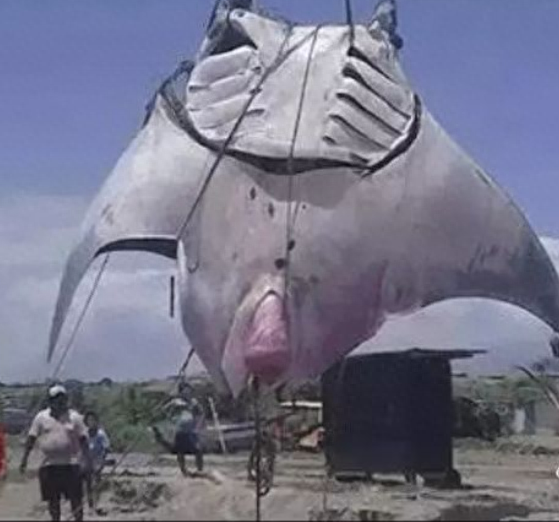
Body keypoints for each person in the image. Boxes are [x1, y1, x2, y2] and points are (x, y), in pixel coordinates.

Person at [19, 385, 91, 522]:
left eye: (63, 399)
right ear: (50, 401)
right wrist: (24, 460)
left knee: (76, 499)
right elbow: (31, 438)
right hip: (48, 465)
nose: (60, 402)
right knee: (53, 501)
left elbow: (83, 440)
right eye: (56, 399)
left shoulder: (75, 417)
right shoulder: (41, 417)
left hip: (71, 464)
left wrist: (87, 461)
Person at [152, 397, 205, 476]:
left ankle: (200, 469)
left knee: (198, 450)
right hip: (180, 430)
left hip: (190, 430)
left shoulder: (193, 402)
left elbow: (200, 413)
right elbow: (164, 409)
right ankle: (183, 470)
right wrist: (170, 416)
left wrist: (198, 425)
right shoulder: (176, 402)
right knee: (180, 451)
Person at [83, 411, 110, 515]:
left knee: (96, 483)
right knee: (88, 485)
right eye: (89, 420)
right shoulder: (85, 433)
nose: (91, 422)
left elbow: (106, 448)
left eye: (93, 420)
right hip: (87, 461)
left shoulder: (101, 434)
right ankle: (90, 506)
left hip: (97, 461)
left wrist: (102, 461)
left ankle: (96, 504)